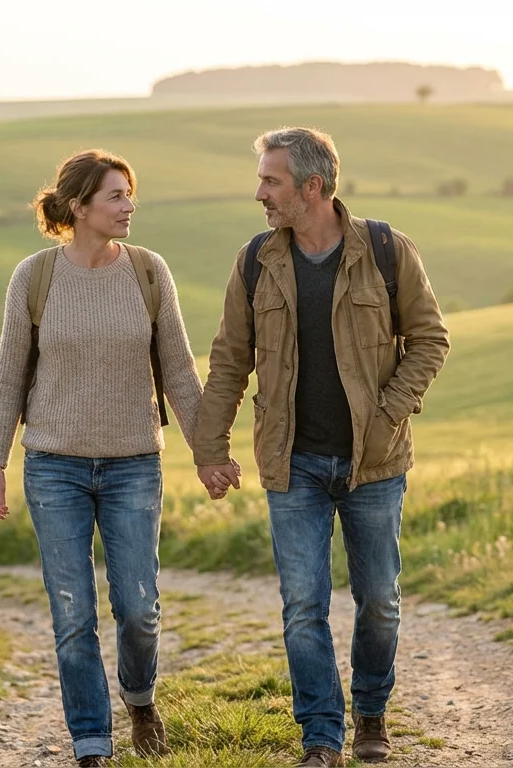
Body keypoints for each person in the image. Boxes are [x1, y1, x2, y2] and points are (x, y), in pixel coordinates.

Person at [192, 127, 450, 767]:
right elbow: (229, 361)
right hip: (292, 464)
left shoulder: (386, 250)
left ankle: (370, 714)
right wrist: (209, 447)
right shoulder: (256, 261)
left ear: (312, 186)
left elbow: (429, 340)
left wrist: (389, 412)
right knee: (303, 606)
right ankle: (320, 738)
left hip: (375, 463)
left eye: (270, 181)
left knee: (380, 601)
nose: (259, 194)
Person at [0, 149, 213, 767]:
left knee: (138, 607)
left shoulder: (148, 271)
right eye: (116, 196)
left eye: (130, 194)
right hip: (53, 464)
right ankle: (90, 742)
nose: (129, 206)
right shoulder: (35, 278)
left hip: (135, 461)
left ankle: (139, 699)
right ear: (78, 206)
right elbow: (8, 378)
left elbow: (180, 373)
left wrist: (207, 452)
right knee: (72, 609)